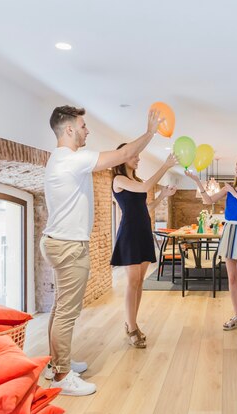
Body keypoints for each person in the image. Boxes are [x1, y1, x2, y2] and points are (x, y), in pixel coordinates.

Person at [40, 105, 161, 395]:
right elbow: (120, 156)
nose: (87, 130)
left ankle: (55, 363)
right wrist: (150, 133)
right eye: (82, 126)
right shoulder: (71, 159)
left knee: (59, 309)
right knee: (67, 312)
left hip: (59, 241)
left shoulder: (60, 160)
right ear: (69, 129)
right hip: (68, 245)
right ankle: (61, 376)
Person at [185, 156, 237, 330]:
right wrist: (198, 182)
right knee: (232, 278)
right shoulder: (228, 188)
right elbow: (208, 201)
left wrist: (236, 194)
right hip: (229, 230)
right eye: (236, 163)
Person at [110, 147, 177, 348]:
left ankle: (133, 323)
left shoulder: (137, 182)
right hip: (130, 233)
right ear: (123, 158)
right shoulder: (119, 180)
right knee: (132, 282)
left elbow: (145, 207)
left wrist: (162, 196)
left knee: (140, 282)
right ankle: (131, 327)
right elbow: (148, 185)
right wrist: (165, 165)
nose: (138, 158)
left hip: (143, 232)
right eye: (134, 155)